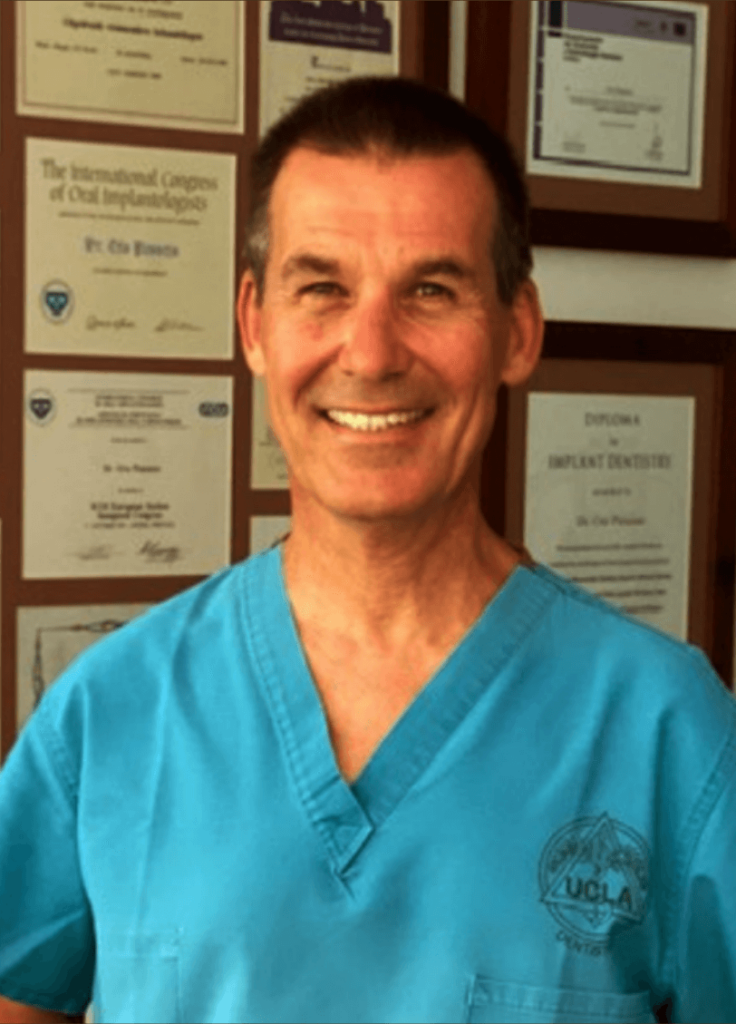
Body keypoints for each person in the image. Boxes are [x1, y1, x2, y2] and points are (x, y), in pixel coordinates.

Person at [1, 76, 735, 1024]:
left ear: (517, 330)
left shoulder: (665, 729)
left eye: (431, 290)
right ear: (253, 323)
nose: (373, 351)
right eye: (323, 289)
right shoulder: (113, 712)